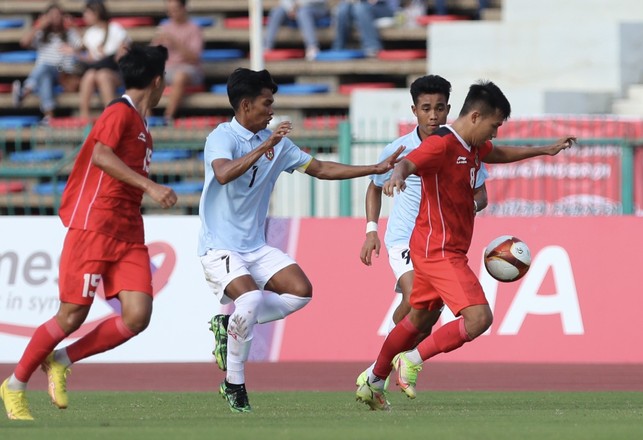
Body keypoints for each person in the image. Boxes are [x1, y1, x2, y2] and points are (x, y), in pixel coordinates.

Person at [355, 80, 576, 410]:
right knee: (479, 319)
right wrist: (398, 174)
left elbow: (498, 153)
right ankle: (412, 360)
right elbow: (409, 162)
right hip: (440, 251)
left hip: (437, 247)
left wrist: (544, 149)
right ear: (475, 117)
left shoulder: (472, 146)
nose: (495, 133)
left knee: (418, 319)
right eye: (494, 125)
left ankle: (373, 381)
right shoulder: (442, 145)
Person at [199, 67, 403, 413]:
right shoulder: (223, 137)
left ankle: (227, 324)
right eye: (266, 103)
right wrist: (267, 145)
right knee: (248, 300)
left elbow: (321, 169)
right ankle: (234, 385)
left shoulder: (279, 145)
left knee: (299, 293)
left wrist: (374, 168)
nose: (272, 109)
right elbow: (222, 174)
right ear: (245, 105)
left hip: (254, 246)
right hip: (218, 246)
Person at [0, 45, 177, 421]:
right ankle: (14, 385)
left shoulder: (143, 126)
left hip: (127, 231)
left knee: (137, 315)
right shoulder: (119, 112)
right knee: (71, 316)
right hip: (95, 224)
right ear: (158, 81)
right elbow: (100, 155)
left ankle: (61, 359)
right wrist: (151, 188)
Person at [356, 74, 489, 396]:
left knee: (424, 316)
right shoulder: (400, 148)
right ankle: (385, 366)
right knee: (412, 292)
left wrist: (465, 203)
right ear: (414, 110)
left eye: (440, 108)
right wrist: (371, 230)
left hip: (441, 239)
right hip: (404, 238)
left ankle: (380, 370)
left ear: (449, 109)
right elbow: (374, 188)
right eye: (426, 108)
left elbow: (481, 194)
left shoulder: (461, 144)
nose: (433, 115)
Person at [12, 2, 82, 124]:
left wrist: (74, 26)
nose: (55, 18)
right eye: (52, 15)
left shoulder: (70, 33)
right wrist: (39, 26)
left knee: (44, 67)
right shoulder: (42, 34)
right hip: (45, 73)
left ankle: (24, 91)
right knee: (45, 75)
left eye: (58, 15)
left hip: (63, 73)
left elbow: (84, 44)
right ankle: (49, 118)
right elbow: (24, 42)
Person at [151, 0, 204, 123]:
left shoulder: (194, 28)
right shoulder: (164, 27)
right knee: (146, 75)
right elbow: (153, 54)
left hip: (190, 69)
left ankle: (167, 117)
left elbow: (194, 57)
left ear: (184, 8)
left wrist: (174, 42)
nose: (172, 13)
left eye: (175, 10)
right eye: (169, 10)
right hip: (167, 69)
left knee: (180, 76)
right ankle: (147, 118)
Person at [78, 0, 131, 120]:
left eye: (87, 13)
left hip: (116, 72)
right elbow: (90, 58)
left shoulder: (115, 29)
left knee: (102, 75)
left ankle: (111, 115)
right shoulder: (89, 33)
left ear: (96, 13)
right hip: (97, 69)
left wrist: (112, 54)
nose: (84, 16)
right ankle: (84, 116)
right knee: (90, 75)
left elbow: (123, 53)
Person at [264, 0, 331, 61]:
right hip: (294, 10)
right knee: (277, 11)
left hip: (316, 9)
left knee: (303, 12)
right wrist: (290, 8)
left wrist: (298, 4)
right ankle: (267, 48)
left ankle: (312, 48)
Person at [332, 0, 399, 57]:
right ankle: (338, 48)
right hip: (359, 7)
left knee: (360, 8)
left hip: (383, 7)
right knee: (343, 8)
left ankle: (372, 47)